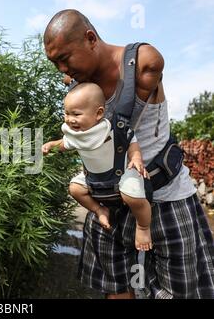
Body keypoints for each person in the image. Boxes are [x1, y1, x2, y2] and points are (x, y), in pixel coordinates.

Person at [43, 9, 214, 299]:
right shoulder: (78, 82)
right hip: (108, 202)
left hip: (163, 199)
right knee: (117, 287)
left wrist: (79, 91)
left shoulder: (143, 62)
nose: (62, 70)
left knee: (180, 290)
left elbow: (115, 125)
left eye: (64, 58)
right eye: (55, 63)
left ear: (91, 38)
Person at [42, 82, 153, 251]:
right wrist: (51, 145)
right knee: (75, 189)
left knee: (133, 196)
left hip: (121, 173)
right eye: (66, 113)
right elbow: (64, 143)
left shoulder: (112, 130)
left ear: (98, 113)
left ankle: (143, 227)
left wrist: (136, 158)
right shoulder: (76, 134)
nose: (70, 119)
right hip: (94, 179)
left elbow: (132, 142)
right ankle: (99, 210)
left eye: (76, 114)